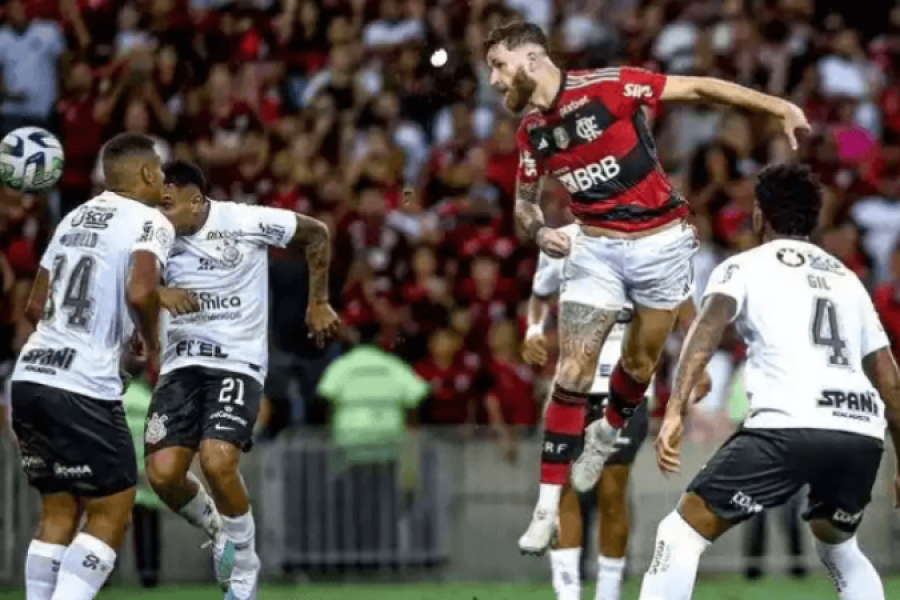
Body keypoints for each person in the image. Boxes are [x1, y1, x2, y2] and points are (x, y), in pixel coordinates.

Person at [482, 20, 811, 554]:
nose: (494, 80)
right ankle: (545, 508)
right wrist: (539, 229)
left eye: (499, 65)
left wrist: (777, 107)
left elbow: (699, 87)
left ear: (533, 59)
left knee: (637, 366)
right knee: (572, 368)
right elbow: (524, 202)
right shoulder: (531, 134)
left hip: (660, 243)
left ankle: (607, 433)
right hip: (595, 248)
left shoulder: (608, 87)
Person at [640, 163, 900, 600]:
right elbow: (889, 378)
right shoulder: (847, 279)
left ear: (760, 215)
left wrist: (674, 409)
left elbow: (707, 328)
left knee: (679, 535)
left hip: (787, 426)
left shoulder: (743, 266)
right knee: (838, 547)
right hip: (859, 433)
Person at [143, 161, 340, 600]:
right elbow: (126, 285)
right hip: (179, 368)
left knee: (216, 461)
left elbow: (317, 233)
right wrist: (158, 294)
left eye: (169, 205)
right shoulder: (151, 235)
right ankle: (217, 527)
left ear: (197, 201)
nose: (161, 214)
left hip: (236, 362)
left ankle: (244, 564)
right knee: (161, 475)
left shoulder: (246, 220)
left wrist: (318, 302)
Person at [10, 133, 182, 600]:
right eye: (162, 172)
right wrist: (150, 341)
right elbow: (142, 292)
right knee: (112, 510)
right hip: (81, 384)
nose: (165, 182)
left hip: (29, 378)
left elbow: (35, 305)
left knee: (57, 513)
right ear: (147, 174)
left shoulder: (73, 217)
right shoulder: (151, 221)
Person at [523, 224, 708, 600]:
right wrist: (533, 329)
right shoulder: (562, 240)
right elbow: (540, 294)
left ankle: (608, 594)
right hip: (573, 387)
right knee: (566, 494)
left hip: (625, 390)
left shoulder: (655, 245)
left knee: (612, 490)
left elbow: (689, 313)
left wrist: (698, 366)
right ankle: (568, 595)